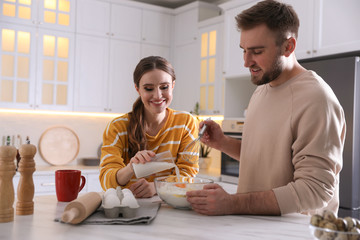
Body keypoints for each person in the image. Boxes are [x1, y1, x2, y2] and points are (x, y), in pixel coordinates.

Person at [186, 0, 346, 216]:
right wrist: (223, 142)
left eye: (257, 51)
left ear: (288, 46)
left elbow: (315, 190)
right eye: (243, 50)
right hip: (255, 229)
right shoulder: (262, 90)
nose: (246, 61)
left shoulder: (316, 99)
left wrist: (233, 203)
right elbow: (265, 160)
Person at [100, 56, 199, 198]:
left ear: (173, 85)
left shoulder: (185, 123)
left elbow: (188, 174)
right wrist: (131, 168)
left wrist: (156, 187)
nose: (158, 95)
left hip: (169, 206)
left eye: (164, 87)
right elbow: (106, 181)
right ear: (137, 89)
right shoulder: (117, 127)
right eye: (148, 88)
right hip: (129, 206)